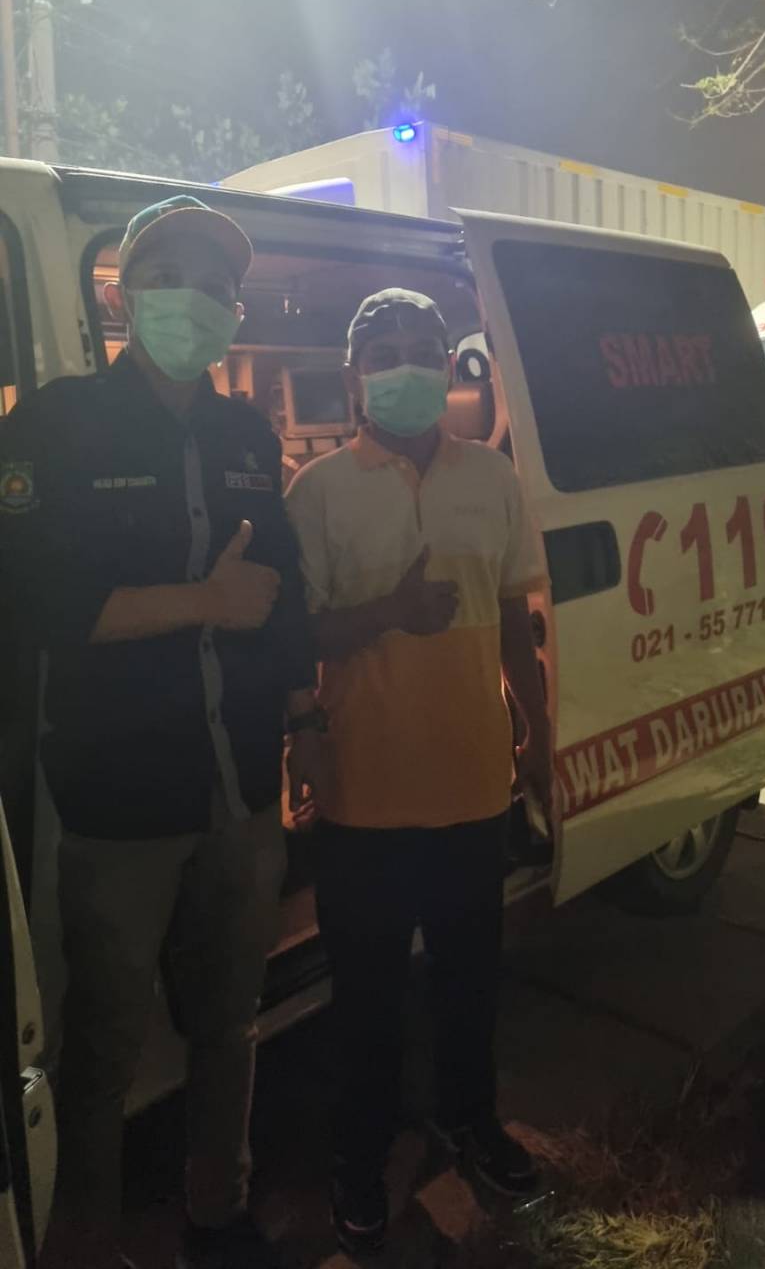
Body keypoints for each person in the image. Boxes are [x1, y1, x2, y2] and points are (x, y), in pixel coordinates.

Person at [0, 196, 327, 1269]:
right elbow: (38, 604)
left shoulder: (245, 435)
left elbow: (280, 595)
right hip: (120, 804)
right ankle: (83, 1246)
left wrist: (302, 723)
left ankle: (216, 1212)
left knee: (230, 1019)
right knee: (100, 1046)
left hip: (240, 789)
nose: (198, 300)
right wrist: (201, 602)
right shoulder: (54, 427)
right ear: (125, 296)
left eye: (218, 286)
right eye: (172, 277)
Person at [286, 288, 553, 1256]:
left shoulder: (492, 477)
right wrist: (384, 618)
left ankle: (470, 1121)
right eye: (382, 351)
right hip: (363, 796)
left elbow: (513, 621)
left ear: (448, 366)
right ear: (354, 374)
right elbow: (294, 638)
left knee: (469, 984)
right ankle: (359, 1160)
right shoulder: (315, 492)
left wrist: (537, 739)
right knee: (365, 1003)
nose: (402, 365)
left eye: (419, 349)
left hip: (472, 786)